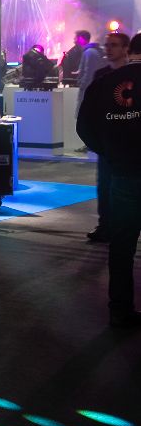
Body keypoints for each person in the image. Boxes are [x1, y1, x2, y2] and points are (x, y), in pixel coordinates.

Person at [75, 46, 141, 329]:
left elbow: (84, 127)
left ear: (131, 51)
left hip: (122, 173)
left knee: (122, 245)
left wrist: (110, 153)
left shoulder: (104, 83)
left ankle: (120, 310)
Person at [85, 32, 134, 243]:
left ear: (125, 49)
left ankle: (124, 228)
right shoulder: (101, 75)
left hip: (130, 143)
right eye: (107, 45)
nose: (108, 49)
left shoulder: (133, 75)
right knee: (104, 185)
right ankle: (105, 226)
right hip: (108, 143)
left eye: (113, 45)